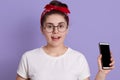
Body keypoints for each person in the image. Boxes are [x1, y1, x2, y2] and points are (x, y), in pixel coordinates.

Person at [16, 0, 115, 80]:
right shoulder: (28, 58)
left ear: (67, 29)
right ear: (42, 29)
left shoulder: (78, 59)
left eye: (61, 26)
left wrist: (102, 73)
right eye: (50, 26)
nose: (55, 31)